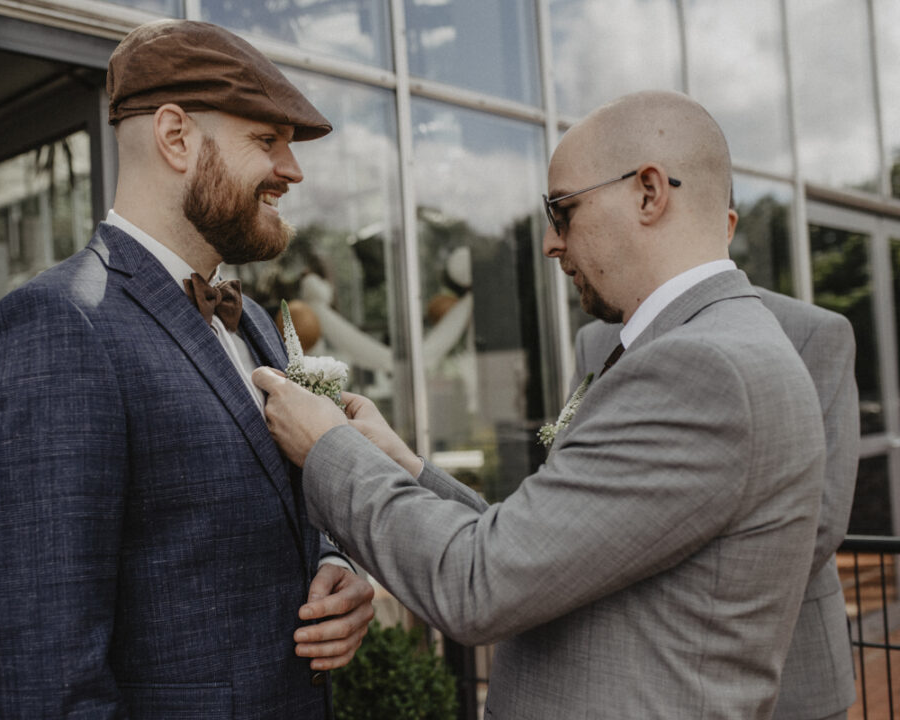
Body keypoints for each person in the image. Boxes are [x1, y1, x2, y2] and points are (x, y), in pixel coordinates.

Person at [252, 90, 827, 718]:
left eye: (562, 210)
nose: (551, 243)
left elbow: (478, 583)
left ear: (649, 193)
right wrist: (400, 463)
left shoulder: (701, 369)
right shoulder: (713, 344)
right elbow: (541, 547)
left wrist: (326, 447)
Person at [0, 20, 374, 719]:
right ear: (176, 137)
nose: (293, 170)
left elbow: (271, 512)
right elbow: (48, 676)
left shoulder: (254, 324)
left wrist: (338, 564)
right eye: (266, 141)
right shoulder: (59, 324)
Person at [573, 285, 858, 720]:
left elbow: (822, 518)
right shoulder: (595, 341)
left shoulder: (814, 330)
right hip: (651, 680)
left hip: (792, 664)